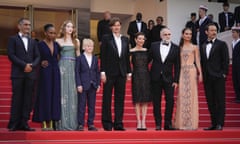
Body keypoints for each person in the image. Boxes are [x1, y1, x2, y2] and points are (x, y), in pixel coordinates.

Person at [7, 17, 40, 131]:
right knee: (17, 99)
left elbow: (38, 56)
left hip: (30, 74)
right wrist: (24, 65)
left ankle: (24, 123)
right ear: (19, 26)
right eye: (25, 25)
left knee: (28, 100)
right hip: (18, 73)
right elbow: (11, 55)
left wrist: (32, 65)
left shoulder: (33, 41)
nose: (28, 27)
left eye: (29, 25)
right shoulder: (13, 39)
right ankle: (14, 124)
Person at [100, 17, 131, 131]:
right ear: (111, 27)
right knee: (107, 98)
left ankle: (118, 123)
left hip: (122, 73)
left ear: (120, 26)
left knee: (120, 99)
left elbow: (126, 56)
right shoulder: (106, 38)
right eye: (114, 25)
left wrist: (129, 72)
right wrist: (102, 72)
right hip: (109, 72)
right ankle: (107, 123)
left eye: (118, 25)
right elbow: (103, 56)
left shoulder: (125, 39)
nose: (116, 27)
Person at [149, 27, 180, 130]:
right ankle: (158, 124)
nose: (167, 36)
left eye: (169, 34)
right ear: (161, 36)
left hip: (169, 79)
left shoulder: (176, 48)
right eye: (165, 34)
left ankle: (168, 124)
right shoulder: (154, 46)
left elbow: (177, 65)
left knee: (170, 101)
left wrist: (176, 80)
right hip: (155, 78)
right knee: (156, 102)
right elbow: (147, 60)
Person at [200, 23, 229, 130]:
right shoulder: (203, 45)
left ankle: (220, 123)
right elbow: (203, 62)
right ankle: (213, 123)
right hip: (207, 78)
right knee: (210, 101)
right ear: (206, 32)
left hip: (218, 77)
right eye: (211, 30)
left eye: (215, 30)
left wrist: (223, 74)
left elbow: (225, 60)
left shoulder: (222, 44)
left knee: (220, 101)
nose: (214, 32)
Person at [32, 24, 61, 131]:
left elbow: (58, 57)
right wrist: (40, 62)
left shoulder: (57, 45)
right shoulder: (39, 44)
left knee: (54, 95)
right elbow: (35, 57)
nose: (53, 35)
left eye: (54, 33)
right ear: (45, 33)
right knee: (45, 95)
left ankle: (53, 121)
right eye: (50, 33)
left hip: (55, 71)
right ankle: (44, 122)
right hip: (45, 72)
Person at [174, 28, 202, 130]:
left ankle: (191, 124)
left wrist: (200, 73)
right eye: (186, 34)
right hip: (181, 72)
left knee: (191, 97)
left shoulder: (195, 47)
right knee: (182, 96)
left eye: (190, 34)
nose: (188, 36)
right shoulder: (178, 48)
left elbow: (197, 61)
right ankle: (181, 123)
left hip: (191, 71)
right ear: (182, 35)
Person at [56, 20, 80, 130]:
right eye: (68, 26)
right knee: (62, 94)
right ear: (64, 28)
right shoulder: (58, 41)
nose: (70, 28)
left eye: (72, 27)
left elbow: (79, 58)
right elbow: (56, 57)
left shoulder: (76, 41)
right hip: (62, 68)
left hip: (73, 68)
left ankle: (72, 123)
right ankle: (62, 123)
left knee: (72, 94)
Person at [75, 39, 100, 131]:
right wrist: (78, 84)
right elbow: (77, 72)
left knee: (92, 106)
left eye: (91, 46)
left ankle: (91, 124)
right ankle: (80, 124)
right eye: (88, 46)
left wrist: (98, 84)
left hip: (93, 85)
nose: (90, 48)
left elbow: (97, 72)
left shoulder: (95, 58)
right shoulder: (79, 58)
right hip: (83, 85)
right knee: (81, 105)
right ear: (84, 47)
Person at [130, 32, 151, 130]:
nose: (141, 40)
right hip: (136, 76)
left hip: (146, 76)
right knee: (137, 100)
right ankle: (138, 121)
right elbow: (127, 64)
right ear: (135, 39)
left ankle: (144, 122)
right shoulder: (131, 51)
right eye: (139, 38)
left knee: (145, 100)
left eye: (143, 39)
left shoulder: (147, 51)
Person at [231, 26, 240, 103]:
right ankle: (237, 96)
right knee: (235, 80)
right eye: (232, 32)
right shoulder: (233, 42)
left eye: (234, 32)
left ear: (238, 33)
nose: (232, 34)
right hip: (234, 65)